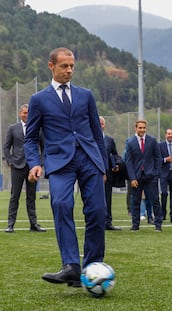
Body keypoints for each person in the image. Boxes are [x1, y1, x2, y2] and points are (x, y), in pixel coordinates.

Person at [24, 47, 107, 287]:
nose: (69, 70)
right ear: (51, 66)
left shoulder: (86, 95)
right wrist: (34, 164)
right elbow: (30, 138)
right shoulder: (38, 99)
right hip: (60, 162)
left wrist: (102, 165)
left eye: (72, 66)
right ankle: (71, 266)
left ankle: (91, 269)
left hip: (89, 159)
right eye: (64, 66)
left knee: (97, 212)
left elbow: (96, 132)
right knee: (61, 204)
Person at [3, 104, 46, 233]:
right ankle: (10, 225)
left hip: (32, 168)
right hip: (17, 167)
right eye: (24, 113)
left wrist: (40, 163)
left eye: (28, 113)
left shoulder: (37, 128)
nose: (26, 115)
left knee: (31, 196)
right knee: (14, 196)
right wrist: (10, 162)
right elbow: (6, 147)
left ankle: (34, 224)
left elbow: (44, 147)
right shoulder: (13, 128)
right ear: (20, 114)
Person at [125, 120, 163, 232]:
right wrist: (132, 178)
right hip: (137, 177)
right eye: (140, 128)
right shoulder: (130, 142)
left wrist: (156, 173)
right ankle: (135, 225)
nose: (142, 130)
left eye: (144, 128)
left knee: (155, 200)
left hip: (150, 176)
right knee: (135, 201)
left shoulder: (152, 141)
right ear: (135, 128)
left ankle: (158, 225)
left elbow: (158, 157)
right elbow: (129, 161)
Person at [99, 116, 122, 231]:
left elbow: (115, 155)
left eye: (102, 123)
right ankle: (95, 221)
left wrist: (116, 164)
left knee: (107, 198)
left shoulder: (109, 140)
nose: (100, 125)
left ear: (104, 126)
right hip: (93, 174)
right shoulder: (88, 139)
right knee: (93, 199)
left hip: (108, 175)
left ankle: (108, 222)